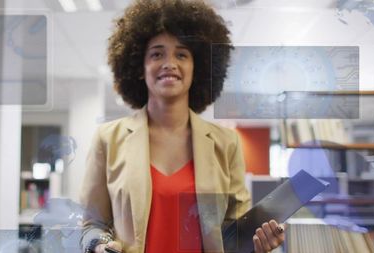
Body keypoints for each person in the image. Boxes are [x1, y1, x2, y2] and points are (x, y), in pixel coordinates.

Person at [80, 1, 285, 252]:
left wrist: (257, 244)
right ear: (139, 68)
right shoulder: (108, 139)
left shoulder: (225, 143)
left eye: (181, 54)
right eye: (157, 54)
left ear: (196, 67)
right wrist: (99, 246)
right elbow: (91, 225)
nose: (169, 63)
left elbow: (236, 231)